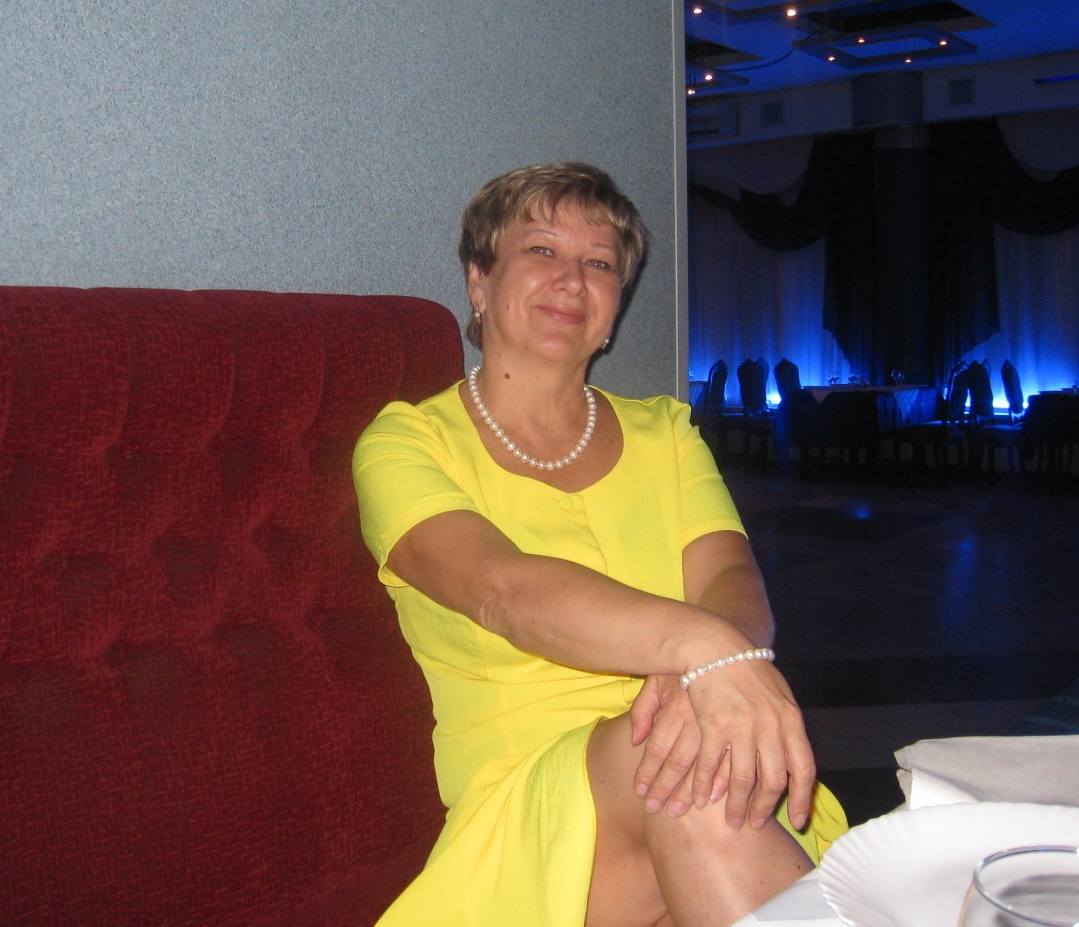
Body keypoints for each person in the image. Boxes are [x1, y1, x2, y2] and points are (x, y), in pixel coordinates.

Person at [353, 162, 846, 926]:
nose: (572, 280)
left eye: (601, 264)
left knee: (685, 767)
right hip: (532, 821)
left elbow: (730, 580)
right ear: (479, 281)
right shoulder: (406, 443)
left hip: (702, 752)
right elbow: (503, 589)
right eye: (541, 250)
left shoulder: (667, 433)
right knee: (678, 771)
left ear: (617, 305)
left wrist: (708, 669)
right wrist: (705, 652)